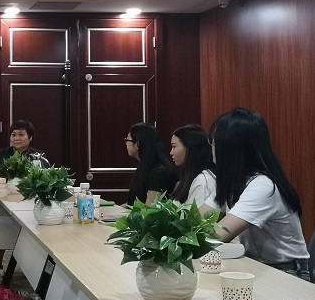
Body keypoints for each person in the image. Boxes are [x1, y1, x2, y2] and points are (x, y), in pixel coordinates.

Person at [203, 108, 310, 280]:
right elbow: (195, 219)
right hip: (254, 264)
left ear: (230, 145)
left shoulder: (263, 186)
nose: (212, 147)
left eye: (214, 141)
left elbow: (217, 235)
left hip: (286, 271)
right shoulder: (231, 181)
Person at [125, 122, 177, 205]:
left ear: (137, 144)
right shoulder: (144, 167)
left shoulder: (157, 172)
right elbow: (132, 204)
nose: (126, 143)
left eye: (127, 140)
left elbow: (150, 208)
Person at [0, 120, 47, 184]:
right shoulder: (3, 153)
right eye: (13, 135)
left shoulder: (38, 155)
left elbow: (45, 178)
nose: (16, 138)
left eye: (21, 134)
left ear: (30, 138)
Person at [169, 124, 216, 205]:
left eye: (174, 146)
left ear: (189, 147)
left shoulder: (202, 181)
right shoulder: (187, 179)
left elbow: (196, 213)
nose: (171, 152)